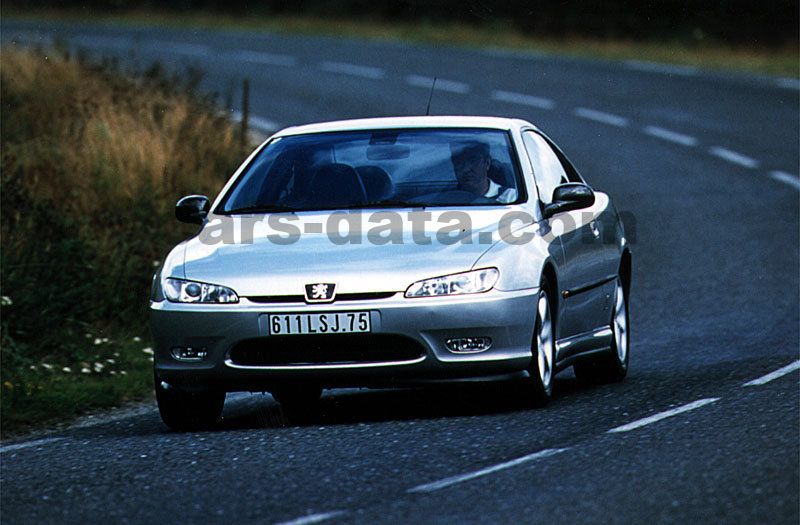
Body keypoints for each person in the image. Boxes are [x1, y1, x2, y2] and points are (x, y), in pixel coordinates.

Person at [450, 141, 518, 203]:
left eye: (473, 161)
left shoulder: (511, 198)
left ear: (487, 163)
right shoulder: (444, 198)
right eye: (458, 161)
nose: (466, 169)